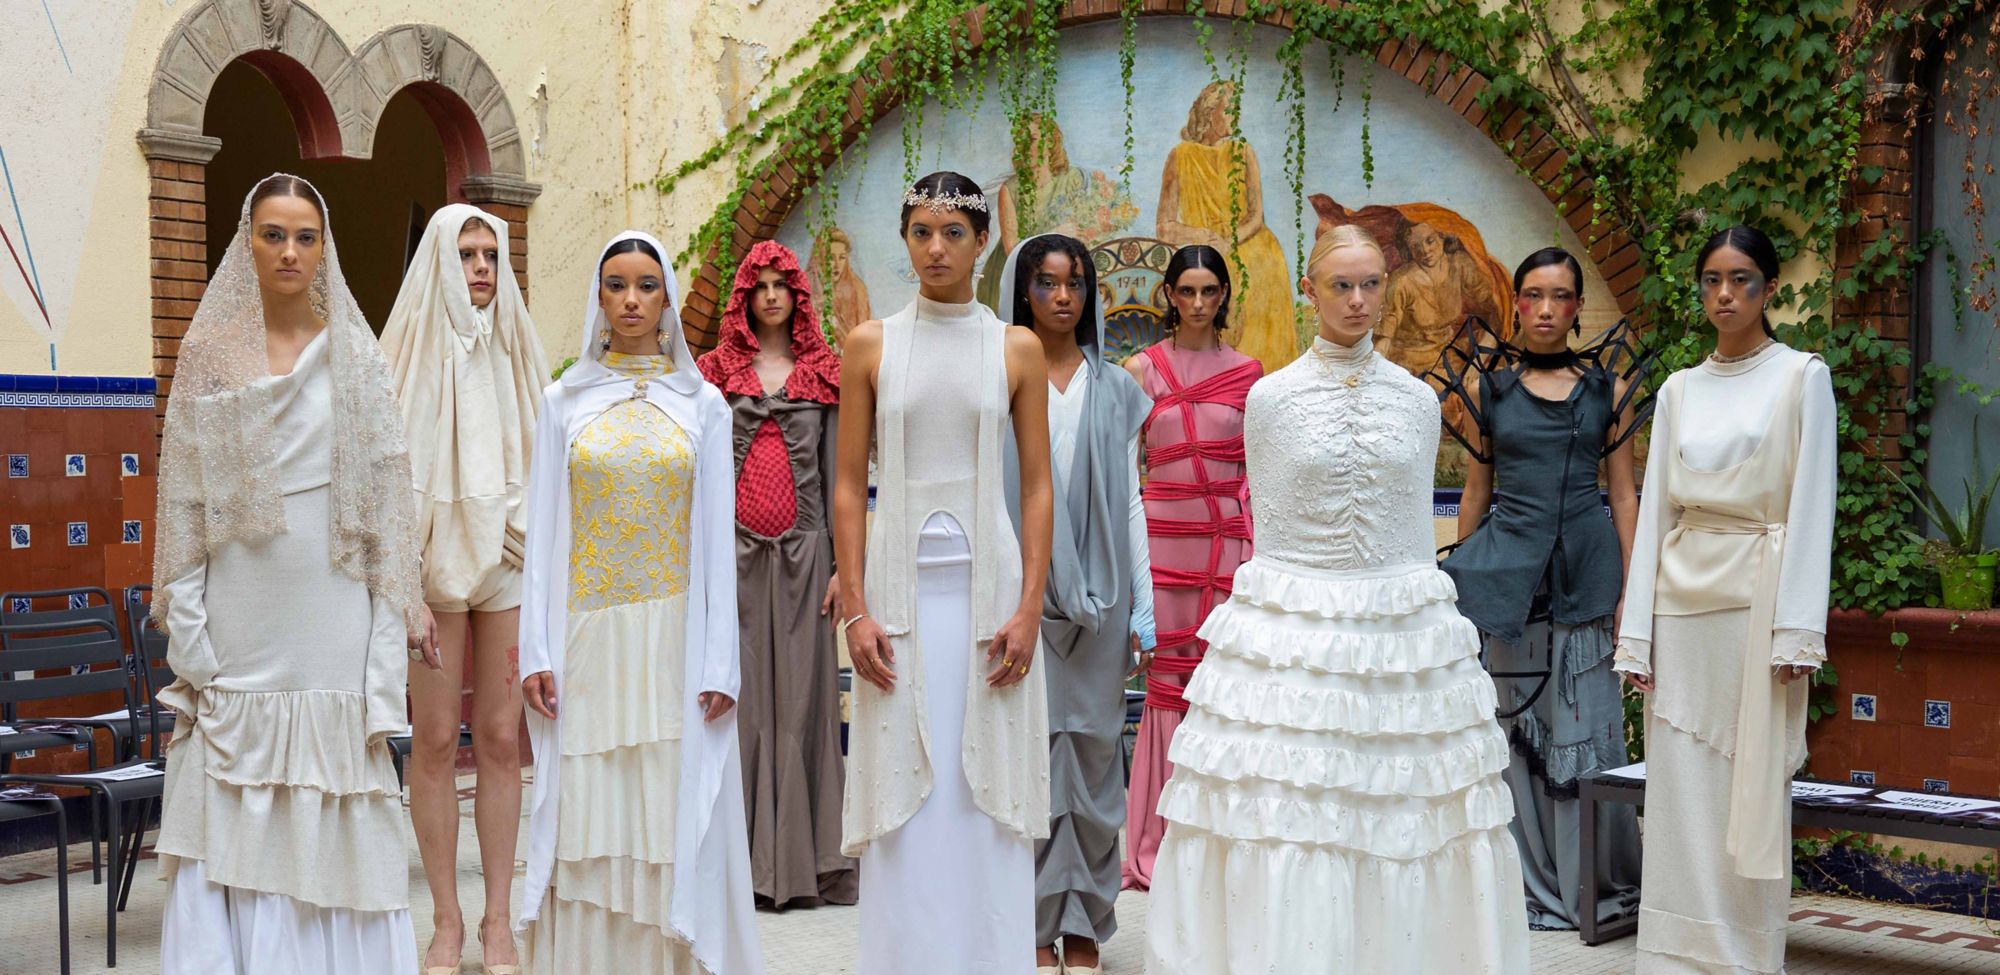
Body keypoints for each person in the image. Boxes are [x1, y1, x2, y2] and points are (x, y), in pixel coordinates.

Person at [1145, 225, 1529, 975]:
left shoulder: (1418, 402)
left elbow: (1415, 530)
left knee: (1405, 810)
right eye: (1341, 285)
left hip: (1398, 633)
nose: (1359, 300)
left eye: (1371, 285)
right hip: (1297, 634)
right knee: (1294, 811)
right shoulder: (1271, 397)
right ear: (1309, 291)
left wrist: (1420, 631)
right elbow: (1272, 524)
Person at [152, 172, 427, 974]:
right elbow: (188, 512)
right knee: (230, 820)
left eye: (306, 236)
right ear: (248, 242)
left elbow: (384, 513)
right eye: (274, 234)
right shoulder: (208, 357)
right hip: (239, 628)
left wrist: (386, 645)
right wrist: (197, 649)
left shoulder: (358, 359)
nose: (290, 251)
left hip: (331, 628)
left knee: (334, 812)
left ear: (324, 249)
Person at [515, 232, 764, 974]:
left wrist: (722, 660)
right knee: (589, 806)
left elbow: (720, 541)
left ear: (667, 297)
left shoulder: (705, 405)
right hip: (585, 640)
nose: (630, 299)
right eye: (617, 284)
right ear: (599, 296)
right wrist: (536, 648)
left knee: (669, 806)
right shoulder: (563, 402)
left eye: (646, 285)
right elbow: (542, 536)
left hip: (674, 646)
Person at [837, 171, 1055, 974]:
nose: (937, 248)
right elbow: (845, 485)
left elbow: (1036, 485)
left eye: (954, 233)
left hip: (989, 604)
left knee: (981, 797)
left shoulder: (1015, 347)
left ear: (981, 241)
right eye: (922, 231)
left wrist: (1030, 606)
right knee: (907, 798)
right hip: (896, 607)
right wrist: (854, 608)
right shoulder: (871, 343)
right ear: (905, 239)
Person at [1615, 225, 1835, 974]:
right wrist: (1637, 632)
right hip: (1681, 610)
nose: (1724, 294)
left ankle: (1743, 954)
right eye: (1711, 279)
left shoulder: (1802, 376)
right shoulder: (1679, 387)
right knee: (1679, 792)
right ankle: (1675, 956)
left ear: (1769, 287)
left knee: (1752, 788)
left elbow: (1812, 509)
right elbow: (1655, 517)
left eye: (1741, 279)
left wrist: (1797, 632)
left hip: (1757, 608)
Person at [1434, 247, 1648, 931]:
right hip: (1505, 581)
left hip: (1587, 574)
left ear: (1577, 306)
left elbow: (1622, 495)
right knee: (1516, 735)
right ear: (1517, 304)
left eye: (1560, 295)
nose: (1547, 309)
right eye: (1533, 295)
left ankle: (1597, 885)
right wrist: (1459, 592)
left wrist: (1632, 593)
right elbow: (1476, 493)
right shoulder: (1487, 391)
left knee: (1588, 731)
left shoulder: (1608, 390)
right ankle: (1531, 887)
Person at [380, 203, 548, 974]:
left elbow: (547, 447)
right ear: (442, 260)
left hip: (510, 552)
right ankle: (445, 920)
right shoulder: (405, 350)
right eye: (468, 253)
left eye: (492, 254)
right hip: (430, 558)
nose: (482, 267)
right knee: (440, 739)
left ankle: (498, 922)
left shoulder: (517, 342)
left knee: (506, 739)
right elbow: (383, 466)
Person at [994, 234, 1155, 975]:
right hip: (1016, 604)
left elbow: (1129, 504)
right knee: (1025, 760)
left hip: (1099, 607)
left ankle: (1085, 923)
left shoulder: (1118, 388)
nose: (1064, 296)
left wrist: (1142, 608)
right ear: (1021, 291)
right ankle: (1030, 923)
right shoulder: (997, 375)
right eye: (1047, 283)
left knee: (1092, 762)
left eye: (1076, 283)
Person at [695, 239, 856, 910]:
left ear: (797, 296)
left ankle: (805, 864)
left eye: (780, 285)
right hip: (731, 556)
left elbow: (847, 475)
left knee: (802, 703)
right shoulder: (711, 374)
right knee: (742, 699)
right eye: (757, 285)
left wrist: (846, 567)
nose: (769, 295)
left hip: (808, 559)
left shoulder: (824, 371)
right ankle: (740, 863)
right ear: (742, 297)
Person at [1120, 244, 1261, 891]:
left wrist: (1259, 562)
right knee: (1167, 689)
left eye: (1211, 290)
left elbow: (1258, 478)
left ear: (1224, 295)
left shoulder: (1252, 374)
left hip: (1227, 551)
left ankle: (1224, 843)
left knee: (1225, 692)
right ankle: (1154, 841)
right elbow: (1125, 478)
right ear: (1170, 295)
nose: (1200, 302)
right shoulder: (1139, 371)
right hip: (1163, 549)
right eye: (1188, 290)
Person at [1156, 81, 1297, 375]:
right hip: (1205, 252)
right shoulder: (1180, 156)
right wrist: (1203, 238)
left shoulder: (1243, 152)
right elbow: (1164, 227)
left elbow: (1256, 216)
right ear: (1210, 113)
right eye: (1229, 111)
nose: (1236, 118)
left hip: (1254, 248)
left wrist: (1228, 241)